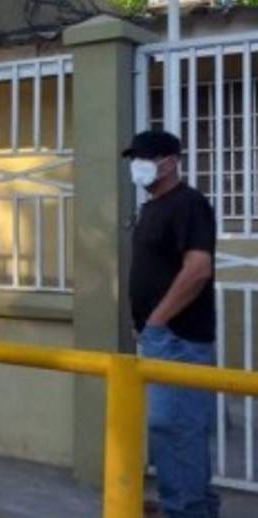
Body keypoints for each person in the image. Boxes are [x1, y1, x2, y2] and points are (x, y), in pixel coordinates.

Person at [124, 130, 220, 518]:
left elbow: (198, 269)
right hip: (160, 336)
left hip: (178, 338)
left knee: (176, 428)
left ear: (171, 161)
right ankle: (191, 507)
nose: (138, 165)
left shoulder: (188, 204)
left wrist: (157, 322)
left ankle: (185, 510)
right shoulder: (152, 208)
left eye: (146, 158)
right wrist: (145, 325)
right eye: (134, 158)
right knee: (175, 429)